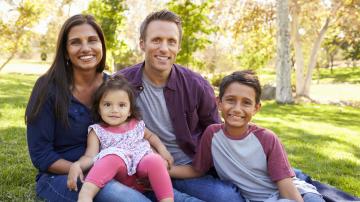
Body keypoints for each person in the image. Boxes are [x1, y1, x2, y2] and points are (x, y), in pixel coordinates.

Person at [118, 10, 243, 202]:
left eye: (171, 41)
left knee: (227, 197)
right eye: (156, 40)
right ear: (142, 44)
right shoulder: (122, 82)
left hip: (187, 171)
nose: (164, 48)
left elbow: (215, 135)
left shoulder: (197, 85)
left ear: (179, 46)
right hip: (140, 172)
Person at [25, 14, 152, 202]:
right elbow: (41, 155)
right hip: (64, 175)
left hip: (118, 171)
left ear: (101, 45)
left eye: (92, 40)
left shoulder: (114, 87)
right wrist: (90, 171)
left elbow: (131, 132)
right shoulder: (47, 88)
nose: (86, 48)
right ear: (66, 51)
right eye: (76, 42)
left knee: (170, 195)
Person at [168, 70, 325, 202]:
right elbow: (197, 170)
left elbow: (287, 188)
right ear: (219, 103)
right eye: (230, 100)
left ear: (256, 108)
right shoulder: (212, 134)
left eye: (246, 103)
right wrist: (165, 170)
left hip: (296, 194)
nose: (237, 109)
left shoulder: (267, 138)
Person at [67, 75, 174, 202]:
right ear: (99, 109)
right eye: (107, 104)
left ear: (129, 110)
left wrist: (163, 151)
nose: (114, 110)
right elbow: (90, 156)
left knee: (155, 160)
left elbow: (151, 136)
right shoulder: (97, 131)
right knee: (112, 157)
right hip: (121, 175)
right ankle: (85, 196)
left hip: (142, 170)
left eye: (121, 105)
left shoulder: (136, 124)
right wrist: (78, 164)